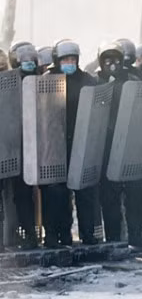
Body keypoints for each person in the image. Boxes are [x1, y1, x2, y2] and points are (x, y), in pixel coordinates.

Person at [40, 40, 99, 247]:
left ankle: (88, 234)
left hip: (81, 142)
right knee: (55, 192)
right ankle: (56, 234)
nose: (69, 63)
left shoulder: (87, 81)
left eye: (73, 59)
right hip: (55, 144)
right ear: (57, 60)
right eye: (65, 59)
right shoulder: (47, 80)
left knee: (84, 191)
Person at [96, 42, 142, 246]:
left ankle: (135, 234)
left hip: (131, 141)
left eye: (116, 59)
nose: (113, 64)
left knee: (134, 191)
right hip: (106, 144)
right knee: (110, 194)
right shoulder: (95, 81)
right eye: (107, 60)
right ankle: (114, 237)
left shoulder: (133, 78)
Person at [9, 42, 39, 248]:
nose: (28, 63)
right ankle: (27, 234)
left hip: (39, 144)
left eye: (31, 60)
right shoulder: (9, 83)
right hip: (15, 145)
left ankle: (34, 234)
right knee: (21, 194)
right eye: (24, 60)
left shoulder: (43, 80)